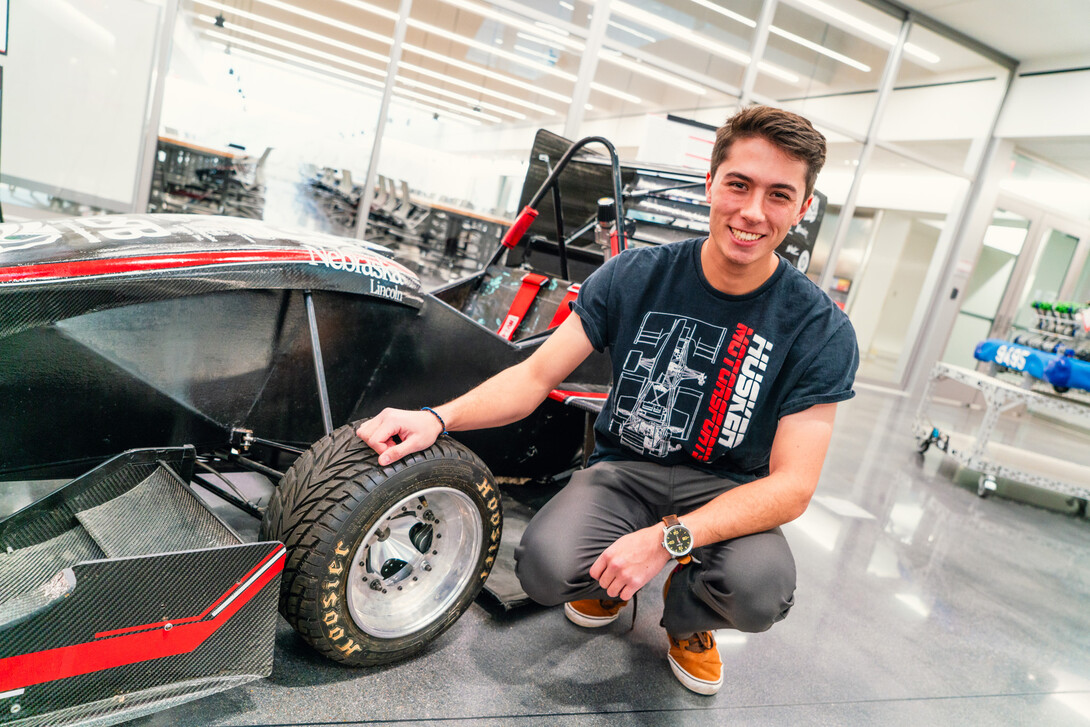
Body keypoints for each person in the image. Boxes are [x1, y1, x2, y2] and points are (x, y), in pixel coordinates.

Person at [357, 105, 858, 696]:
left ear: (801, 209)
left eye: (779, 195)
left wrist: (668, 541)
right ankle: (607, 578)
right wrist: (437, 418)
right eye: (739, 185)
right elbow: (534, 376)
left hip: (727, 487)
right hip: (625, 470)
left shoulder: (819, 327)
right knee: (545, 567)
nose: (752, 212)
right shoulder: (635, 275)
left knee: (757, 592)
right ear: (711, 183)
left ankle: (689, 610)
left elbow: (793, 486)